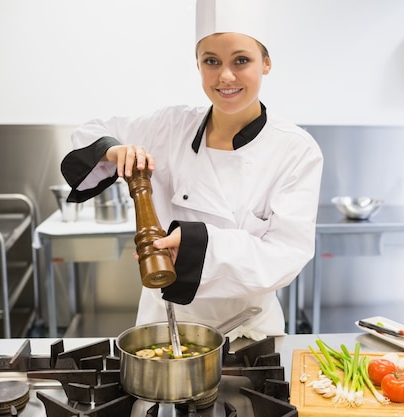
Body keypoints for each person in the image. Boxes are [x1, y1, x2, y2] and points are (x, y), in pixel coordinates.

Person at [60, 0, 323, 340]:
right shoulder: (168, 126)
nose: (225, 76)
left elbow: (285, 256)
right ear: (198, 65)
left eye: (241, 60)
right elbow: (88, 133)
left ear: (266, 63)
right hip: (165, 323)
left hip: (248, 330)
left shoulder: (295, 149)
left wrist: (198, 246)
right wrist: (114, 150)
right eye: (211, 61)